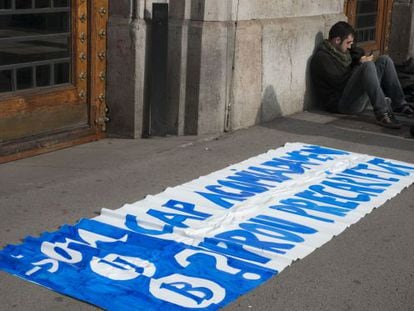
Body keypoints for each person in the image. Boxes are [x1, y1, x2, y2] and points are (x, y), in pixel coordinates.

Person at [311, 21, 414, 129]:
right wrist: (359, 65)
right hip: (342, 104)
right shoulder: (322, 58)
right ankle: (382, 113)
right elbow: (341, 84)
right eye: (348, 43)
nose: (350, 46)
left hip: (354, 97)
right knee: (367, 66)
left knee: (385, 60)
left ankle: (400, 104)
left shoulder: (341, 52)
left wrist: (358, 59)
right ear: (337, 40)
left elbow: (356, 54)